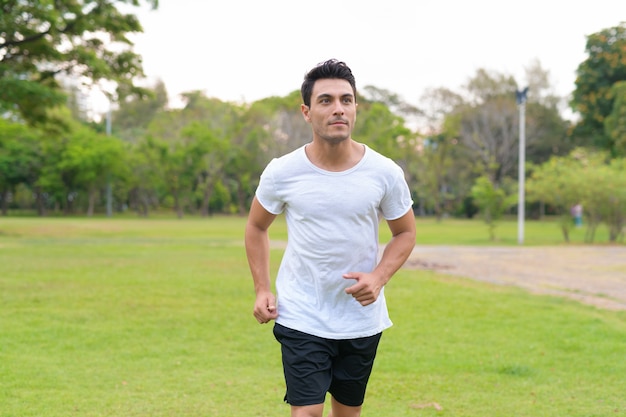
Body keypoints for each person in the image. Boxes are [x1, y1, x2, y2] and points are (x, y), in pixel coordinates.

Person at [245, 59, 416, 417]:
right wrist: (262, 288)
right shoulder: (283, 172)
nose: (338, 108)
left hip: (360, 317)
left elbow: (405, 233)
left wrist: (378, 277)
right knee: (306, 411)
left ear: (356, 108)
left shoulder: (384, 172)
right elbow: (257, 227)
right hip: (301, 312)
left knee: (347, 413)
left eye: (346, 100)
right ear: (306, 112)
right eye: (326, 100)